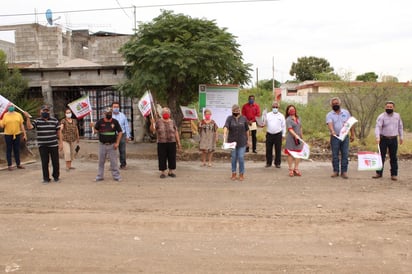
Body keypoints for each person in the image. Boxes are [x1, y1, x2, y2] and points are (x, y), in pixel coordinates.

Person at [24, 104, 62, 183]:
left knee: (55, 162)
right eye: (44, 110)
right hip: (42, 145)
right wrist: (27, 117)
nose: (45, 112)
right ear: (40, 111)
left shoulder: (54, 120)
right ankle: (46, 178)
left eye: (47, 111)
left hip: (53, 144)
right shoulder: (37, 121)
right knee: (45, 162)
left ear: (49, 111)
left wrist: (60, 142)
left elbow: (58, 132)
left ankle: (56, 177)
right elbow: (29, 127)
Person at [372, 101, 404, 181]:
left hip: (393, 139)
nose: (389, 108)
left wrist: (401, 137)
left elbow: (400, 127)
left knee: (393, 157)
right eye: (387, 107)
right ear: (385, 107)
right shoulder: (381, 116)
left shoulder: (397, 116)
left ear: (393, 108)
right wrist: (377, 137)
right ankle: (378, 173)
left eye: (391, 107)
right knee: (381, 156)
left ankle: (394, 174)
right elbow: (378, 127)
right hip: (383, 139)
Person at [326, 97, 355, 179]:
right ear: (331, 105)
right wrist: (332, 131)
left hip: (345, 136)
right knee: (335, 155)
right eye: (334, 104)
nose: (335, 105)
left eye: (337, 103)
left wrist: (352, 134)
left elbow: (351, 123)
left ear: (340, 104)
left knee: (345, 154)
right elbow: (329, 123)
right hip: (335, 136)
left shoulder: (346, 113)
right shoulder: (329, 114)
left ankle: (344, 172)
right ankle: (335, 171)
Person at [91, 107, 123, 182]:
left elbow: (120, 132)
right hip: (102, 145)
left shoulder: (115, 122)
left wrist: (117, 143)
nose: (109, 115)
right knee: (101, 161)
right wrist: (92, 126)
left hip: (112, 145)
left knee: (114, 162)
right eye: (108, 113)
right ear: (104, 114)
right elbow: (96, 131)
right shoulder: (100, 122)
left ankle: (116, 176)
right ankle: (100, 176)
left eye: (110, 113)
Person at [150, 107, 181, 179]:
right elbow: (153, 130)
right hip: (161, 142)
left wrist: (178, 142)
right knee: (162, 157)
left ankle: (171, 172)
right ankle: (163, 172)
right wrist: (152, 123)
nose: (165, 113)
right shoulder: (158, 122)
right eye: (164, 112)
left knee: (172, 157)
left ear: (169, 114)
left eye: (167, 112)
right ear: (161, 114)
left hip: (172, 142)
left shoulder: (172, 122)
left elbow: (176, 131)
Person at [223, 104, 250, 181]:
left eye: (237, 110)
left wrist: (248, 140)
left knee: (241, 157)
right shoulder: (229, 118)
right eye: (234, 111)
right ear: (232, 111)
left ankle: (241, 174)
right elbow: (226, 126)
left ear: (240, 111)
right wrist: (224, 134)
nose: (236, 112)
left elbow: (247, 130)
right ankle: (233, 173)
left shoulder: (244, 118)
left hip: (242, 141)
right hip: (232, 142)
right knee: (233, 158)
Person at [0, 104, 27, 171]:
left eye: (12, 106)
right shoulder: (5, 115)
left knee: (16, 149)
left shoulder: (18, 115)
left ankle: (18, 164)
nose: (11, 107)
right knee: (9, 149)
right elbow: (2, 126)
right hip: (8, 135)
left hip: (17, 134)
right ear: (7, 108)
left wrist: (24, 134)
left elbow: (21, 125)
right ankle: (10, 165)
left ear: (14, 107)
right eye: (9, 106)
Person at [264, 101, 286, 168]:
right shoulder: (268, 115)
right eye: (274, 107)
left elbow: (284, 126)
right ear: (272, 107)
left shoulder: (281, 116)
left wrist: (283, 135)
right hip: (269, 134)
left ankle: (277, 163)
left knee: (278, 149)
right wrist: (263, 118)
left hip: (278, 134)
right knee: (268, 149)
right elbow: (264, 122)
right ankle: (268, 163)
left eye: (276, 107)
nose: (275, 108)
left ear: (278, 107)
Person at [284, 105, 303, 177]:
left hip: (298, 139)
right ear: (288, 111)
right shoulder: (288, 119)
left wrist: (301, 137)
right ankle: (290, 169)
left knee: (298, 153)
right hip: (291, 139)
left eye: (293, 109)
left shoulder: (298, 118)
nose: (292, 110)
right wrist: (295, 135)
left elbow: (300, 127)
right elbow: (290, 129)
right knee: (290, 154)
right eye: (290, 110)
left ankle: (296, 168)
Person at [112, 101, 131, 169]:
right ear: (112, 108)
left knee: (122, 150)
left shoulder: (122, 115)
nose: (116, 108)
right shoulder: (110, 116)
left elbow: (126, 126)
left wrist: (128, 136)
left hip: (122, 135)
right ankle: (113, 165)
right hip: (113, 135)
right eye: (114, 107)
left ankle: (123, 164)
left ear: (119, 107)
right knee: (112, 151)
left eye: (117, 107)